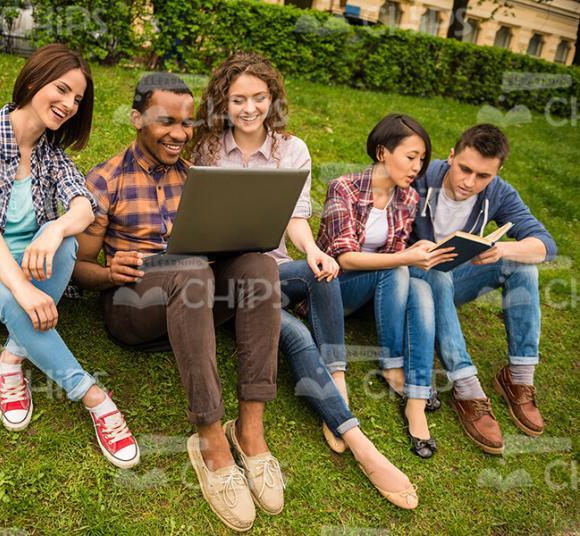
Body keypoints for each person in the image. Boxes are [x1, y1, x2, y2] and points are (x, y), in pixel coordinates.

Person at [190, 51, 418, 509]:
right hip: (225, 280)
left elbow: (296, 219)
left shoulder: (292, 150)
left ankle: (337, 380)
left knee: (325, 269)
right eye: (238, 100)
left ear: (272, 98)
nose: (249, 108)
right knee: (291, 332)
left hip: (274, 269)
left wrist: (314, 251)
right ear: (223, 102)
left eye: (259, 97)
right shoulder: (208, 148)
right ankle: (360, 443)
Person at [72, 72, 284, 532]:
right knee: (187, 271)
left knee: (261, 266)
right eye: (167, 121)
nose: (179, 134)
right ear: (136, 118)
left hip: (197, 298)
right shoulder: (105, 180)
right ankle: (210, 438)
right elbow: (77, 269)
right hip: (133, 308)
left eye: (187, 123)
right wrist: (111, 272)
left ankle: (250, 430)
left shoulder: (198, 180)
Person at [0, 44, 140, 469]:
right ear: (34, 79)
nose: (68, 105)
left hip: (27, 272)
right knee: (9, 298)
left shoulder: (50, 155)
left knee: (69, 244)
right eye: (61, 90)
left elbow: (84, 204)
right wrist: (21, 288)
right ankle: (94, 398)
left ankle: (12, 356)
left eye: (77, 99)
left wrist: (55, 227)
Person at [408, 124, 557, 454]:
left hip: (451, 281)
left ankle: (519, 378)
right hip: (409, 283)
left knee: (523, 265)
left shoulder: (499, 192)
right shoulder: (421, 176)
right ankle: (467, 388)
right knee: (436, 274)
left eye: (482, 176)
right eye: (464, 169)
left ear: (497, 172)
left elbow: (546, 244)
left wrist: (502, 249)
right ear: (450, 155)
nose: (469, 182)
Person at [317, 114, 456, 460]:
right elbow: (345, 258)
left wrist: (414, 257)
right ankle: (392, 366)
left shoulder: (407, 199)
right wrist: (406, 258)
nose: (417, 167)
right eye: (411, 157)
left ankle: (417, 399)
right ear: (382, 152)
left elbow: (398, 260)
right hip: (334, 288)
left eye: (422, 159)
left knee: (419, 286)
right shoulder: (344, 187)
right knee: (399, 268)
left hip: (377, 294)